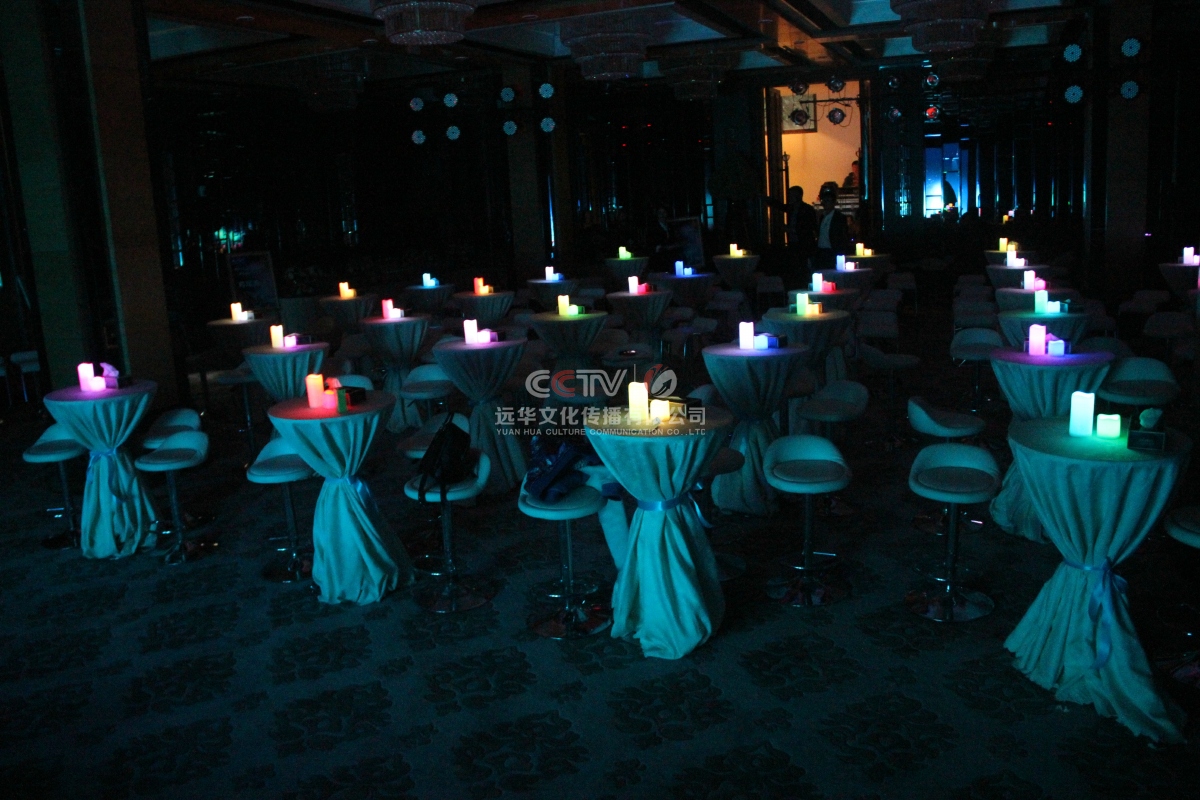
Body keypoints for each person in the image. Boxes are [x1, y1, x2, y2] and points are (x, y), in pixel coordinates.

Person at [814, 183, 850, 270]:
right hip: (821, 252)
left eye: (828, 200)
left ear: (833, 202)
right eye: (824, 200)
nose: (825, 203)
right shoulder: (822, 217)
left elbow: (842, 238)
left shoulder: (839, 218)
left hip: (832, 252)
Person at [786, 186, 817, 272]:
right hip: (797, 244)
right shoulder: (795, 209)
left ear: (798, 196)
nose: (790, 198)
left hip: (803, 246)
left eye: (792, 195)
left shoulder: (806, 210)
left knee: (803, 268)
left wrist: (792, 230)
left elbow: (808, 227)